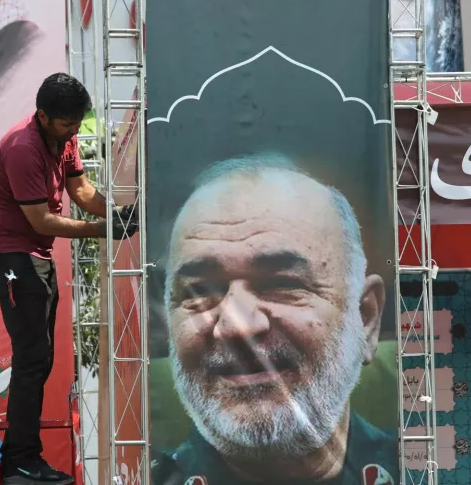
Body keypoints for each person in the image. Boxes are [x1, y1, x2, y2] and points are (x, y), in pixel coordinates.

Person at [154, 153, 397, 485]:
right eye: (199, 290)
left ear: (365, 318)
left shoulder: (427, 469)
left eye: (282, 284)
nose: (238, 325)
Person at [0, 72, 138, 484]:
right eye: (68, 125)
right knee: (32, 358)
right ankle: (21, 460)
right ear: (44, 115)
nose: (74, 133)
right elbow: (42, 218)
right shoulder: (21, 148)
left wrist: (117, 215)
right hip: (11, 255)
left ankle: (23, 455)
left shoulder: (62, 139)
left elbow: (82, 192)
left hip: (36, 254)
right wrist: (104, 230)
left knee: (40, 358)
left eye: (77, 125)